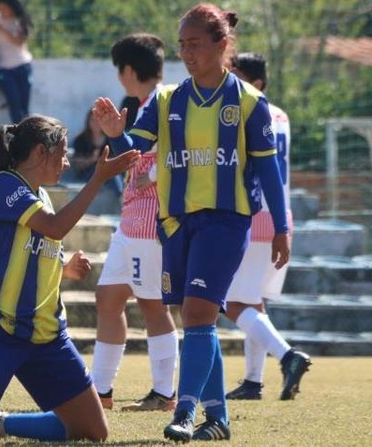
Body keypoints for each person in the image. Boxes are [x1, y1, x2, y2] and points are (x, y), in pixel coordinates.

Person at [93, 3, 291, 442]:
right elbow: (134, 149)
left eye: (195, 44)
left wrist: (281, 228)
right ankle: (217, 418)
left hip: (227, 221)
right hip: (177, 224)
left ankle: (184, 410)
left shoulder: (248, 103)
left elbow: (268, 174)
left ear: (222, 45)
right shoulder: (167, 101)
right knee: (195, 318)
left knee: (200, 311)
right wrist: (114, 133)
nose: (186, 53)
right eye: (182, 45)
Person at [0, 115, 140, 444]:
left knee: (93, 431)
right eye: (62, 152)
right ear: (39, 153)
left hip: (46, 337)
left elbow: (30, 252)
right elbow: (55, 227)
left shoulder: (40, 195)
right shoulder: (4, 184)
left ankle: (1, 424)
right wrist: (99, 178)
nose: (67, 161)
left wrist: (64, 266)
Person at [90, 33, 179, 413]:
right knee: (108, 299)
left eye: (119, 70)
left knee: (152, 305)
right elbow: (139, 151)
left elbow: (174, 153)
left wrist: (155, 172)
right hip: (131, 220)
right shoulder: (147, 103)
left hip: (149, 220)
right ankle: (100, 392)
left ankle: (163, 394)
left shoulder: (164, 100)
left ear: (128, 70)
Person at [225, 52, 311, 401]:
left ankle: (288, 355)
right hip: (279, 216)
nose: (229, 81)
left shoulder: (247, 112)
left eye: (236, 75)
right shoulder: (281, 115)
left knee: (231, 303)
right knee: (252, 302)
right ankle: (253, 381)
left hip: (254, 214)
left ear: (256, 83)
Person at [0, 0, 33, 123]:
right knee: (14, 102)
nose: (1, 10)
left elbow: (19, 42)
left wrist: (2, 31)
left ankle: (26, 134)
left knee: (24, 104)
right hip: (4, 68)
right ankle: (19, 133)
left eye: (4, 7)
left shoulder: (19, 20)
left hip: (22, 66)